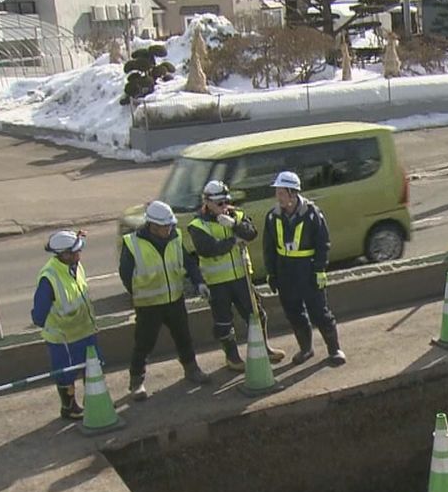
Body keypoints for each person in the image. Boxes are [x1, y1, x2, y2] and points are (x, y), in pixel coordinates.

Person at [186, 180, 285, 371]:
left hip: (242, 278)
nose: (224, 207)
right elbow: (208, 249)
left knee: (257, 315)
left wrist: (234, 225)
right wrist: (233, 240)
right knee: (224, 322)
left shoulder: (236, 215)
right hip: (217, 283)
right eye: (219, 203)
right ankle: (232, 357)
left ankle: (264, 349)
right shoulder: (197, 225)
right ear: (207, 202)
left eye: (226, 202)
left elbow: (251, 234)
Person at [120, 201, 211, 399]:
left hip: (174, 300)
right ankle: (136, 382)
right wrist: (138, 294)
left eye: (170, 225)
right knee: (144, 344)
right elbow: (126, 275)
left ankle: (192, 369)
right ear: (152, 225)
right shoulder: (132, 244)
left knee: (184, 337)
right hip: (149, 305)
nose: (169, 229)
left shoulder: (175, 237)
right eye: (165, 226)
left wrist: (199, 282)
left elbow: (188, 262)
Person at [263, 170, 346, 366]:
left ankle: (334, 350)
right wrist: (272, 273)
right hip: (285, 272)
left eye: (282, 193)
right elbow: (269, 248)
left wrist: (319, 270)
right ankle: (306, 349)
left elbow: (323, 243)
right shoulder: (272, 217)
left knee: (320, 312)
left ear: (293, 193)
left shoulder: (312, 214)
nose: (278, 197)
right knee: (294, 313)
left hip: (307, 271)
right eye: (278, 193)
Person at [31, 230, 98, 420]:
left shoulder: (76, 266)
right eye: (76, 252)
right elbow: (39, 315)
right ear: (64, 254)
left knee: (93, 368)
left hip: (85, 331)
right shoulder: (49, 278)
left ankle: (94, 402)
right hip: (64, 338)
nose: (80, 255)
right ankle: (69, 408)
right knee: (66, 375)